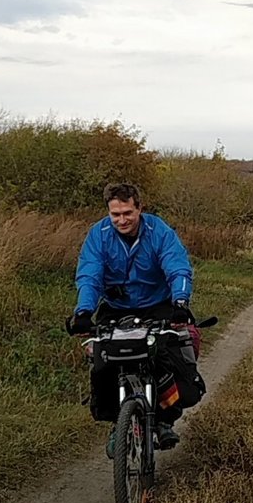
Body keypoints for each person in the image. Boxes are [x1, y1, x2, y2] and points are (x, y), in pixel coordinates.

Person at [66, 182, 203, 454]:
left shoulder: (159, 232)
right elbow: (90, 274)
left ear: (140, 207)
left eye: (127, 213)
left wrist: (180, 302)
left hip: (158, 303)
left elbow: (177, 267)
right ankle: (118, 422)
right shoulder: (99, 235)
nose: (121, 220)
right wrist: (83, 311)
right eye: (115, 214)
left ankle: (164, 419)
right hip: (116, 306)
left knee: (165, 356)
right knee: (104, 361)